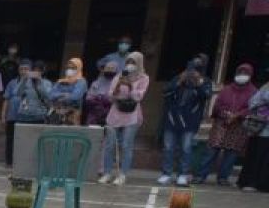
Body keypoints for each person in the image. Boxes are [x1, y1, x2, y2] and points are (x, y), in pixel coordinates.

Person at [195, 63, 257, 187]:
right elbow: (218, 104)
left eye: (245, 73)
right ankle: (200, 176)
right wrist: (226, 114)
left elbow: (252, 108)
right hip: (221, 123)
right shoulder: (227, 89)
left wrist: (237, 115)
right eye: (240, 73)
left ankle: (223, 178)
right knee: (211, 151)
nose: (242, 76)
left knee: (231, 153)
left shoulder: (253, 91)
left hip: (238, 126)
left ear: (250, 75)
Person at [158, 56, 212, 186]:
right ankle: (166, 174)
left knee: (186, 148)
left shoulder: (205, 81)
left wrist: (198, 84)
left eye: (195, 70)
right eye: (190, 70)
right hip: (172, 120)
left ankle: (183, 174)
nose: (191, 73)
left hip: (190, 122)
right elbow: (165, 92)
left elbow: (206, 95)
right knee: (168, 148)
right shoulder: (178, 78)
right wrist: (178, 82)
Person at [99, 51, 149, 185]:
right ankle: (107, 173)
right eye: (128, 62)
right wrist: (117, 87)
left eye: (133, 62)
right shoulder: (119, 76)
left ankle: (122, 175)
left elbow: (139, 96)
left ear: (139, 63)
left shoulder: (144, 78)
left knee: (126, 145)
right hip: (115, 113)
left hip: (132, 115)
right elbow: (109, 96)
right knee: (109, 144)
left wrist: (130, 86)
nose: (130, 65)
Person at [237, 79, 269, 192]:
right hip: (261, 130)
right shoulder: (265, 88)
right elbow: (253, 102)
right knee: (257, 157)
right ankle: (251, 182)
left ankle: (263, 184)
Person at [2, 60, 30, 168]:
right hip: (12, 115)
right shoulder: (12, 82)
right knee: (10, 139)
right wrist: (3, 115)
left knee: (24, 140)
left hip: (26, 116)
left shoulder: (34, 83)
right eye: (22, 69)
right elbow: (6, 99)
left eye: (26, 69)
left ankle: (22, 162)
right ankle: (9, 161)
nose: (23, 71)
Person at [48, 57, 87, 125]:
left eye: (73, 68)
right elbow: (51, 96)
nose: (70, 70)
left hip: (72, 116)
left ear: (78, 68)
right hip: (57, 115)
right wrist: (64, 94)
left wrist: (58, 96)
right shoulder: (61, 81)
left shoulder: (81, 81)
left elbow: (75, 97)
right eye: (68, 68)